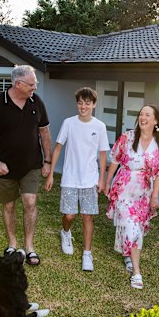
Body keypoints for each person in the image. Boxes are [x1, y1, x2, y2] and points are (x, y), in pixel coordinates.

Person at [0, 65, 52, 266]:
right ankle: (12, 243)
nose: (35, 88)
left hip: (30, 164)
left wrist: (47, 160)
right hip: (5, 167)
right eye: (31, 84)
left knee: (30, 203)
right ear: (18, 84)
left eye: (35, 83)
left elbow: (44, 132)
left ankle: (29, 247)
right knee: (9, 205)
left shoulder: (36, 102)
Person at [104, 104, 159, 289]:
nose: (143, 117)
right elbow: (115, 159)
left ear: (156, 121)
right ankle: (136, 273)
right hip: (124, 188)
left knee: (136, 229)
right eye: (141, 114)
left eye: (147, 115)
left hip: (144, 193)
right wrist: (107, 181)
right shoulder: (128, 137)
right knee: (130, 226)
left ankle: (127, 255)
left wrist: (155, 197)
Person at [45, 87, 109, 271]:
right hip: (70, 178)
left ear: (94, 105)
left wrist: (102, 179)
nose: (83, 106)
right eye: (80, 102)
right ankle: (66, 232)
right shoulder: (69, 123)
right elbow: (58, 148)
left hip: (90, 179)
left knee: (87, 217)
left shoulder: (99, 126)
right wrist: (50, 174)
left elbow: (103, 154)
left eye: (87, 103)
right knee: (69, 215)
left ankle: (87, 254)